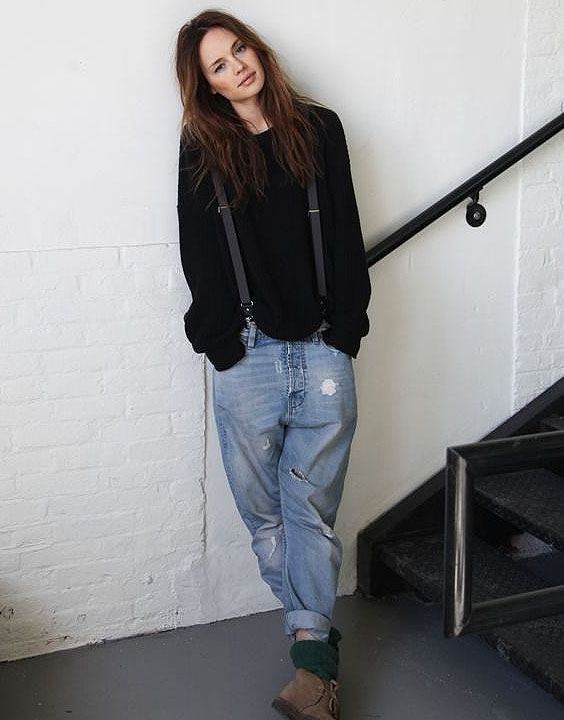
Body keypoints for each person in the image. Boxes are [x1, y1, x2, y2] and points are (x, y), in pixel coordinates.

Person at [175, 9, 371, 719]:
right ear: (209, 88)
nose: (237, 67)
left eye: (239, 50)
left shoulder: (320, 129)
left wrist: (347, 327)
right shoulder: (202, 147)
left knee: (309, 515)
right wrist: (220, 344)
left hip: (321, 347)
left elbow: (345, 228)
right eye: (219, 66)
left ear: (257, 50)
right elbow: (198, 248)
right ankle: (315, 642)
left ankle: (312, 671)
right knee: (267, 519)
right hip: (248, 353)